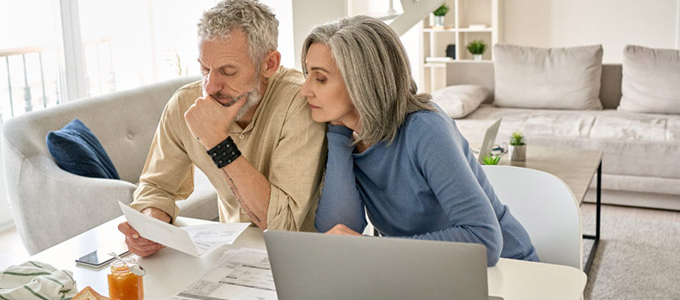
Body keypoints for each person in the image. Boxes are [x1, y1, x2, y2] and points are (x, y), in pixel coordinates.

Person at [302, 15, 538, 266]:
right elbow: (338, 232)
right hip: (425, 271)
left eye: (320, 78)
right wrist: (338, 136)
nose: (304, 89)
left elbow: (484, 240)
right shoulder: (349, 135)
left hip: (507, 271)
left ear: (362, 81)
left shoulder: (425, 129)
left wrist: (375, 248)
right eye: (307, 74)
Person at [118, 0, 326, 257]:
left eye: (228, 71)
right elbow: (156, 187)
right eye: (205, 68)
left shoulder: (300, 102)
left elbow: (281, 224)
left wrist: (218, 143)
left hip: (300, 256)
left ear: (269, 64)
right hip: (231, 256)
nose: (210, 86)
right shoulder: (185, 103)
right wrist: (152, 224)